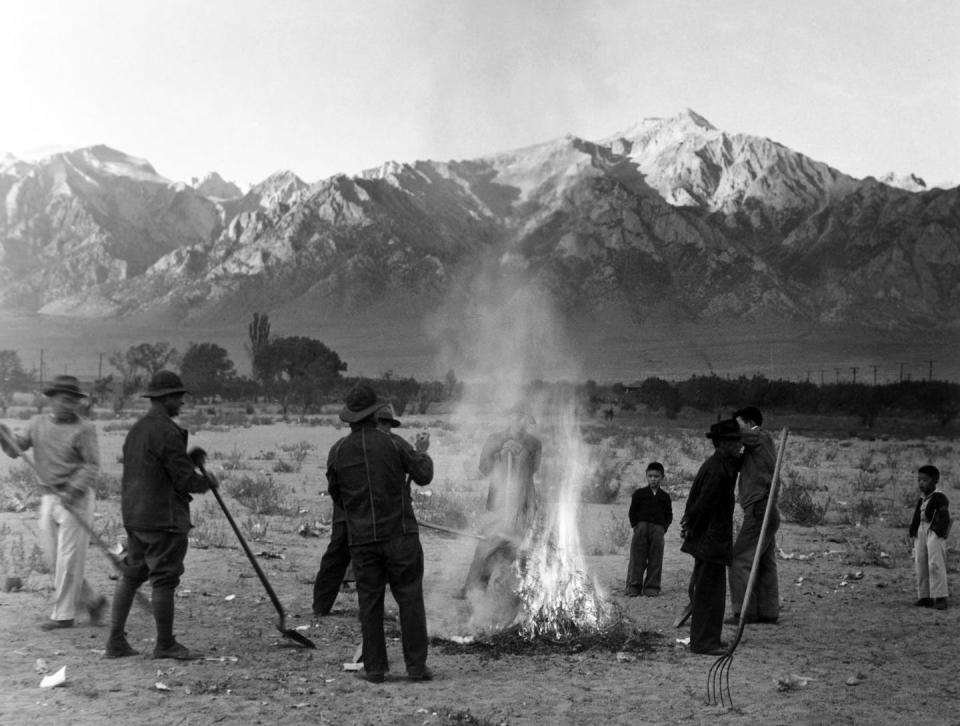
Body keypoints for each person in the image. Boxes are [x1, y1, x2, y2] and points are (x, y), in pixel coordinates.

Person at [104, 371, 218, 660]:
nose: (181, 401)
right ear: (165, 398)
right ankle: (165, 644)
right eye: (178, 396)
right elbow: (183, 481)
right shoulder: (166, 431)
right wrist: (208, 481)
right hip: (162, 518)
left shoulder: (138, 429)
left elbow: (155, 466)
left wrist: (189, 459)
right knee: (164, 579)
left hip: (135, 516)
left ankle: (115, 642)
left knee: (131, 575)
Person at [326, 386, 434, 683]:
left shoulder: (337, 452)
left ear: (350, 418)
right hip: (400, 535)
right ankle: (416, 667)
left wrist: (360, 513)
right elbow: (423, 475)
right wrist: (422, 453)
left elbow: (338, 497)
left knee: (369, 603)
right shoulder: (394, 443)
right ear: (374, 414)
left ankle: (374, 668)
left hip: (361, 540)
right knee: (410, 598)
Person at [0, 375, 107, 630]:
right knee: (55, 558)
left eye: (73, 400)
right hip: (49, 496)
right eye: (63, 399)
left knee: (69, 559)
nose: (68, 405)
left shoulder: (84, 428)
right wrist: (3, 435)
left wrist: (73, 490)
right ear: (51, 399)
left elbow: (92, 465)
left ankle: (63, 616)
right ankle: (93, 602)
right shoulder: (37, 424)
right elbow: (16, 449)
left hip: (76, 499)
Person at [312, 403, 401, 616]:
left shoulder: (393, 446)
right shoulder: (343, 447)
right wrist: (347, 507)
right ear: (372, 422)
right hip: (349, 513)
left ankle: (372, 612)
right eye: (382, 423)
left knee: (374, 562)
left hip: (377, 516)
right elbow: (334, 483)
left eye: (389, 424)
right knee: (337, 556)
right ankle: (321, 606)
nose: (386, 428)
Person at [458, 403, 542, 597]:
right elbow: (484, 468)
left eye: (525, 417)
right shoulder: (495, 439)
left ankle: (519, 592)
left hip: (523, 500)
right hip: (499, 500)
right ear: (510, 417)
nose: (521, 421)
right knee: (487, 543)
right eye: (517, 415)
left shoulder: (534, 443)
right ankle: (472, 589)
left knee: (520, 545)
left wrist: (521, 461)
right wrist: (500, 455)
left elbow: (534, 469)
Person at [680, 419, 741, 655]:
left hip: (712, 539)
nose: (740, 446)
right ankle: (704, 643)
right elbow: (702, 505)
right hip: (710, 539)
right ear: (723, 443)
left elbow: (745, 457)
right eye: (735, 442)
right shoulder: (717, 470)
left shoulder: (724, 463)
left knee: (713, 592)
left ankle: (710, 638)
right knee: (708, 593)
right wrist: (690, 525)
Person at [726, 406, 780, 625]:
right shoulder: (757, 446)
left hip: (759, 509)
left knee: (738, 560)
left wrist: (724, 431)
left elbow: (739, 435)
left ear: (749, 423)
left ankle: (744, 611)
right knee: (765, 561)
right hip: (766, 510)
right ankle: (768, 611)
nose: (736, 427)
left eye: (738, 423)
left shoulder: (759, 437)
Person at [624, 462, 672, 597]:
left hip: (658, 530)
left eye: (656, 476)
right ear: (646, 476)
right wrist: (636, 526)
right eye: (650, 476)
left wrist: (663, 528)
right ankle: (633, 587)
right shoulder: (639, 494)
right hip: (641, 529)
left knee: (655, 558)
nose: (653, 479)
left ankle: (652, 587)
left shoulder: (665, 496)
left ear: (662, 477)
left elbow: (669, 515)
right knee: (637, 557)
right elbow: (632, 512)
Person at [909, 465, 950, 610]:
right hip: (921, 532)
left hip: (934, 531)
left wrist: (939, 533)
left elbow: (944, 515)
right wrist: (913, 531)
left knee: (935, 563)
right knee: (921, 562)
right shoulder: (922, 499)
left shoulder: (939, 497)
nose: (921, 483)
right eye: (919, 480)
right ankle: (925, 596)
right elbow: (916, 516)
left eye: (925, 480)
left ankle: (940, 597)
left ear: (935, 480)